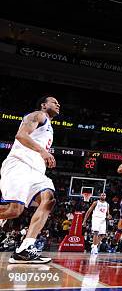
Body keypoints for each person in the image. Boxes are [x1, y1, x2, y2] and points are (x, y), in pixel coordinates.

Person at [0, 96, 59, 263]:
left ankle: (25, 248)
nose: (58, 104)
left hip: (36, 172)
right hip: (20, 164)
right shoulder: (38, 115)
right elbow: (21, 135)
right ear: (43, 105)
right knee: (14, 211)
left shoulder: (49, 126)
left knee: (49, 199)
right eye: (54, 102)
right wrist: (43, 151)